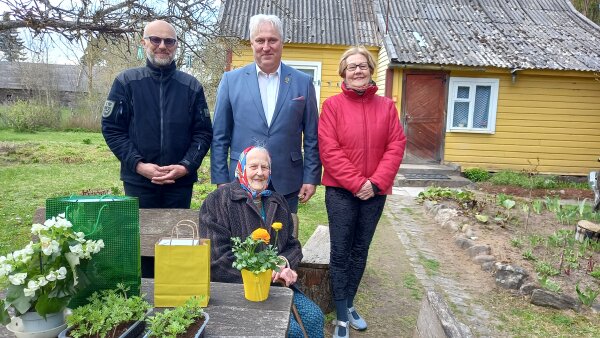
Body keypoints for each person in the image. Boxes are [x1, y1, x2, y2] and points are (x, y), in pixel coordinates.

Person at [318, 47, 406, 338]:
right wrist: (357, 183)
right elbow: (329, 150)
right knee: (341, 252)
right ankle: (341, 315)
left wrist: (376, 183)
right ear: (343, 72)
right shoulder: (332, 106)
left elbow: (396, 145)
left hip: (375, 192)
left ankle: (350, 302)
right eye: (352, 67)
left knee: (360, 250)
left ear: (371, 70)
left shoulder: (386, 107)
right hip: (341, 191)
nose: (358, 71)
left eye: (363, 66)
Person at [199, 146, 324, 338]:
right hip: (235, 288)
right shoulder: (218, 201)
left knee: (315, 317)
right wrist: (265, 273)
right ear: (241, 168)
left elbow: (292, 245)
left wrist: (283, 262)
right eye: (253, 166)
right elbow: (217, 257)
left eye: (264, 167)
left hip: (277, 287)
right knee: (292, 332)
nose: (259, 172)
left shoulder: (277, 201)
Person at [210, 14, 321, 226]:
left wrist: (311, 177)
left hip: (287, 181)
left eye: (272, 40)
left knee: (282, 240)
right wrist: (221, 177)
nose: (266, 47)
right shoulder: (231, 81)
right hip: (241, 179)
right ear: (252, 43)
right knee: (241, 242)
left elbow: (312, 136)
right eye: (260, 41)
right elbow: (220, 135)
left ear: (282, 42)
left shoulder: (302, 82)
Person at [102, 19, 213, 209]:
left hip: (179, 184)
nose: (162, 46)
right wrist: (138, 165)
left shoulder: (191, 86)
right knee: (140, 236)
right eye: (155, 40)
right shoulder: (126, 82)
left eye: (169, 41)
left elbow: (203, 133)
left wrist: (186, 166)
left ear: (176, 45)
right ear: (143, 42)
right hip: (138, 182)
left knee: (176, 236)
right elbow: (112, 129)